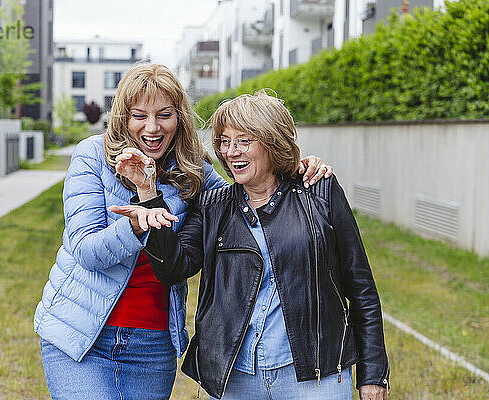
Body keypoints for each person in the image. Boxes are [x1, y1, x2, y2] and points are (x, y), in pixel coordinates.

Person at [34, 65, 333, 400]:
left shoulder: (194, 171)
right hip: (81, 336)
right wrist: (135, 225)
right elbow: (87, 251)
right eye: (139, 116)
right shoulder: (92, 156)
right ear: (123, 118)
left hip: (152, 344)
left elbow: (245, 197)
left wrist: (296, 169)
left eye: (164, 114)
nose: (152, 127)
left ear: (179, 117)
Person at [111, 90, 389, 400]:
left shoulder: (319, 192)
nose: (231, 152)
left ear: (272, 142)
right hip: (238, 378)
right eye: (225, 142)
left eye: (244, 141)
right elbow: (173, 269)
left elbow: (361, 286)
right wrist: (148, 194)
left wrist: (373, 374)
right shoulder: (212, 205)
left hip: (315, 378)